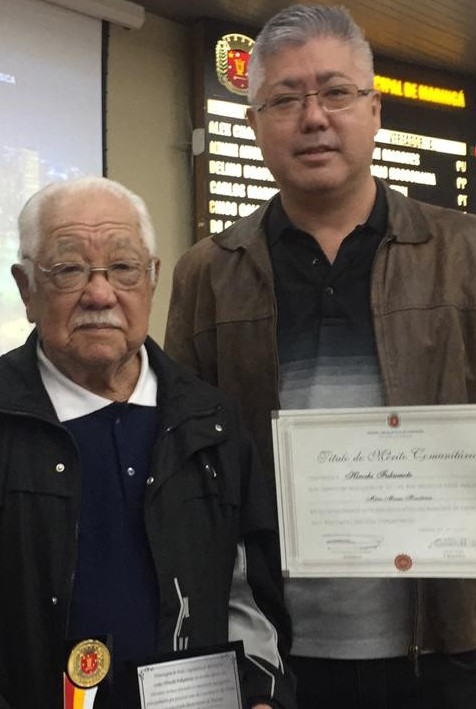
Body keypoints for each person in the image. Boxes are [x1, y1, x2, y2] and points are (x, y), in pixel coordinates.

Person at [165, 5, 476, 708]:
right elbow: (190, 472)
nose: (313, 117)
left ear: (374, 110)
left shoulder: (464, 255)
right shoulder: (208, 273)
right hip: (280, 654)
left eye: (336, 92)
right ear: (254, 125)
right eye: (285, 98)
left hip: (452, 646)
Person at [0, 176, 294, 708]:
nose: (100, 294)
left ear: (152, 278)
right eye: (68, 269)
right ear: (25, 288)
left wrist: (259, 695)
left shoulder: (213, 423)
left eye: (124, 268)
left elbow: (249, 595)